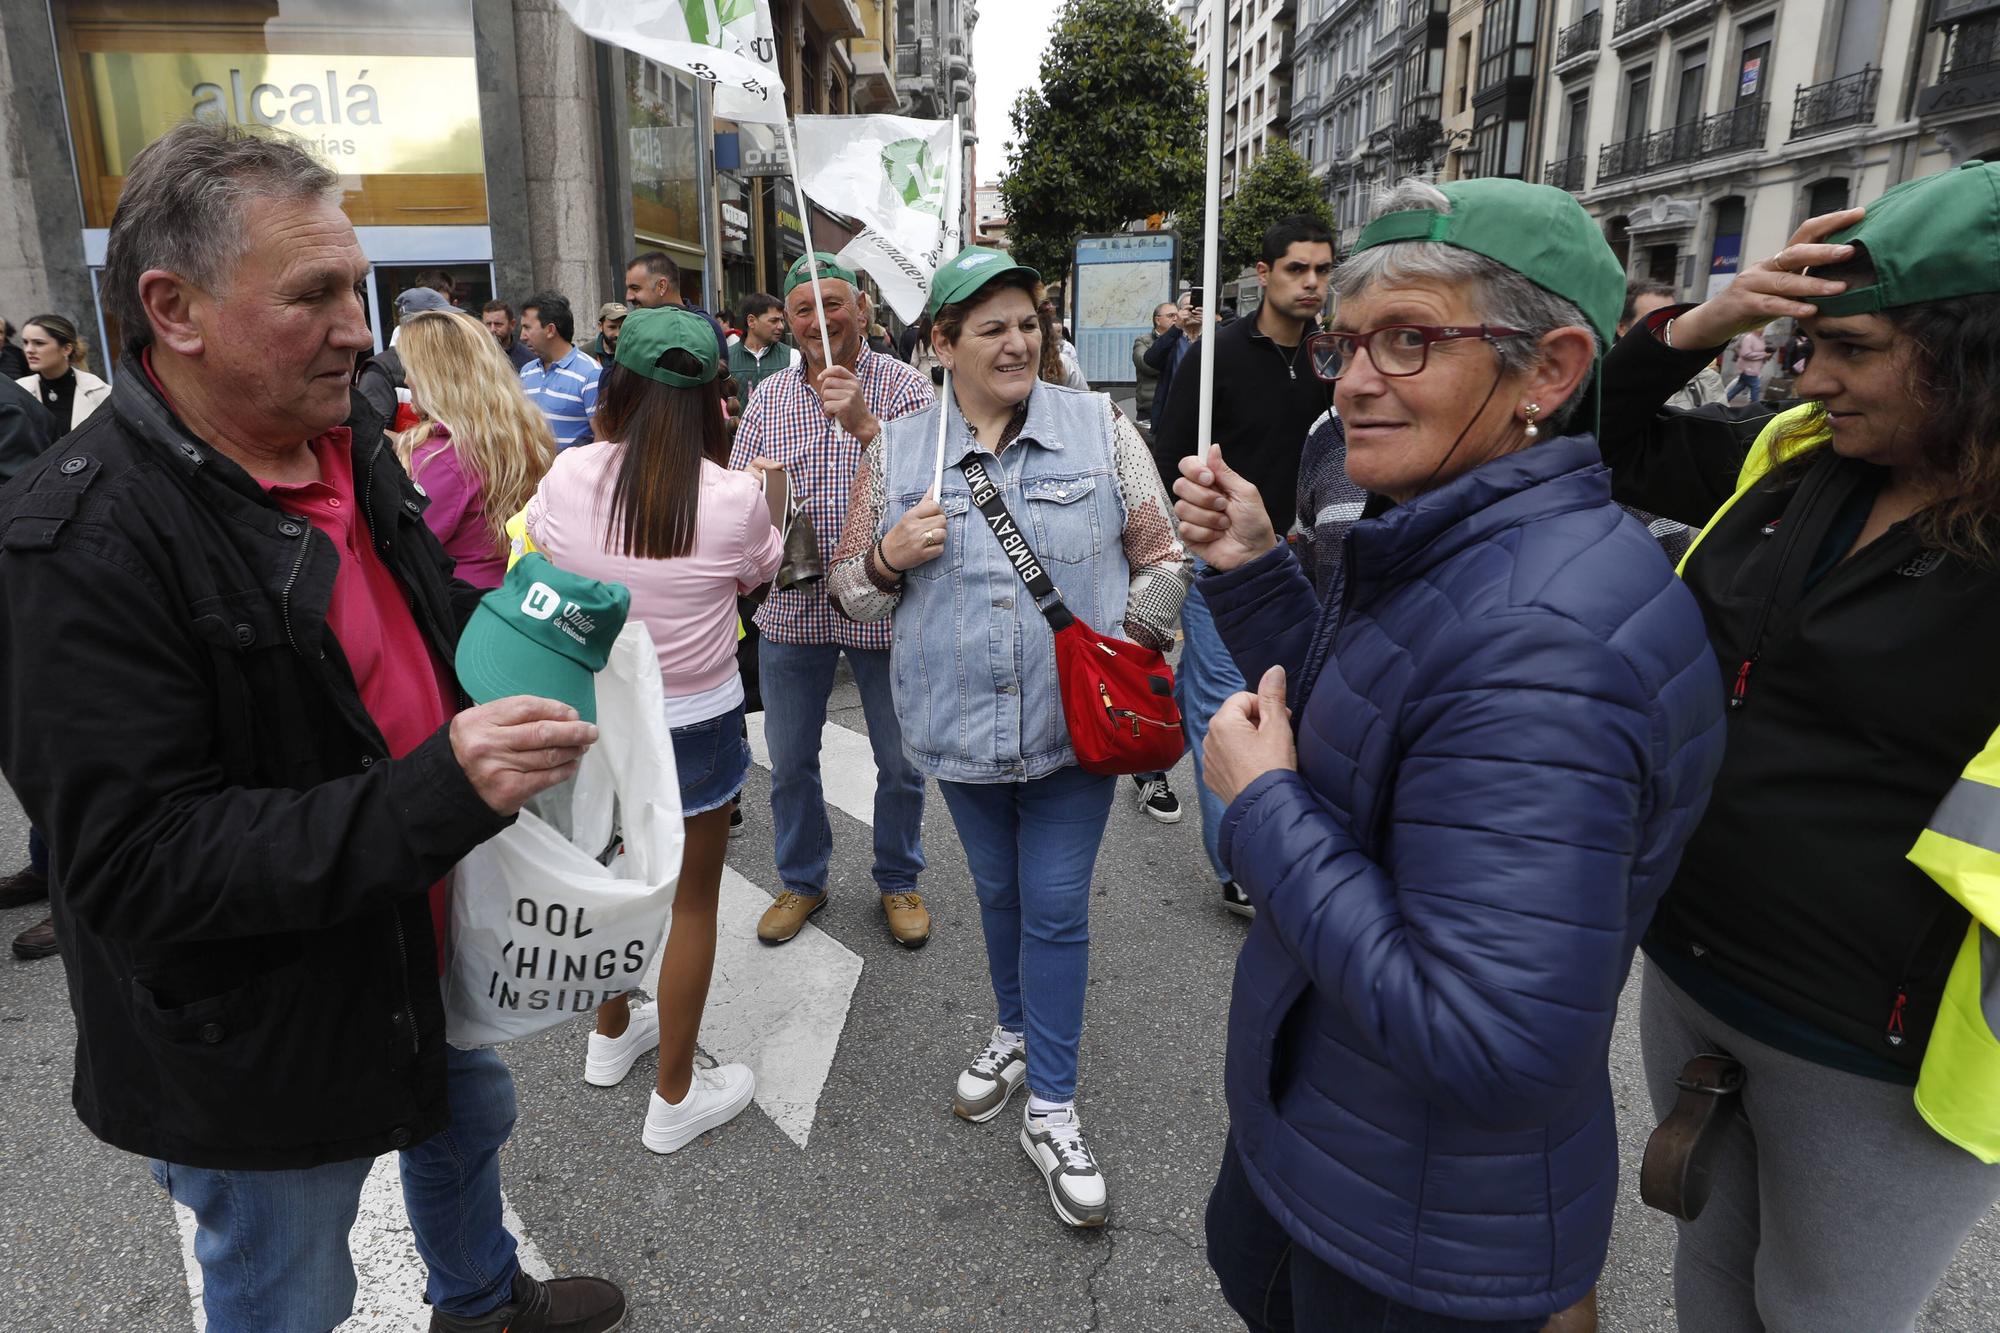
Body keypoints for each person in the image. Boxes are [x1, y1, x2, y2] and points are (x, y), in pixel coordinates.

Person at [0, 120, 624, 1333]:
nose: (359, 327)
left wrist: (521, 628)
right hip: (256, 1028)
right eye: (318, 295)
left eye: (358, 287)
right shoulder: (77, 540)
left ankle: (481, 1300)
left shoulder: (344, 443)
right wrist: (443, 786)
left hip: (406, 939)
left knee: (466, 1113)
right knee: (289, 1284)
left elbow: (400, 619)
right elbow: (136, 864)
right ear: (172, 308)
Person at [1174, 176, 1725, 1332]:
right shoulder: (1454, 533)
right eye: (1350, 342)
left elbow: (1490, 1038)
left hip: (1407, 1239)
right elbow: (1376, 741)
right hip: (1358, 1158)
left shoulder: (1543, 642)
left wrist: (1260, 806)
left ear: (1553, 370)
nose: (1358, 380)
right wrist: (1260, 570)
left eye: (1409, 340)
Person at [1597, 178, 2000, 1332]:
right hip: (1687, 972)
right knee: (1710, 1292)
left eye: (1850, 349)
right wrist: (1697, 327)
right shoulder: (1798, 454)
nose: (1807, 377)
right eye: (1802, 344)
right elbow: (1585, 438)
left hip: (1876, 1049)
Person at [828, 246, 1191, 1228]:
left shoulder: (1100, 426)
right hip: (953, 730)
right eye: (990, 327)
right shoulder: (894, 448)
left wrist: (1125, 652)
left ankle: (1052, 1106)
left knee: (1057, 905)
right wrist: (886, 555)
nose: (1017, 340)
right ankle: (1013, 1024)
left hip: (1074, 737)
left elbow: (1162, 557)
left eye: (1027, 322)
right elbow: (847, 592)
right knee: (995, 892)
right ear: (940, 343)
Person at [525, 306, 785, 1153]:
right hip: (699, 720)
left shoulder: (570, 476)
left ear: (616, 386)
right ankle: (675, 1094)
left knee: (608, 876)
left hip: (598, 715)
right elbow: (761, 573)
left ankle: (609, 1035)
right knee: (693, 902)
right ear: (715, 399)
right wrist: (771, 500)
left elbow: (547, 556)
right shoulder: (735, 497)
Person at [727, 252, 935, 947]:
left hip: (886, 601)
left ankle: (899, 878)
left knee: (900, 762)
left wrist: (867, 425)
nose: (821, 319)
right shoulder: (768, 397)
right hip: (792, 603)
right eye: (805, 308)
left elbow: (936, 494)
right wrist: (755, 488)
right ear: (786, 321)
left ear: (865, 312)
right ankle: (802, 878)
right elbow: (736, 491)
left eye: (834, 303)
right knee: (788, 760)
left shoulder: (906, 388)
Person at [1154, 214, 1336, 918]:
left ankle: (1150, 745)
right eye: (1297, 269)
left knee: (1291, 695)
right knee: (1225, 703)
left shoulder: (1334, 355)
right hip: (1228, 564)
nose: (1313, 282)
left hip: (1318, 562)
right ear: (1263, 274)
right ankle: (1237, 862)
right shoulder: (1216, 355)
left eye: (1322, 269)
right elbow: (1171, 447)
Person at [392, 309, 555, 590]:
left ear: (436, 378)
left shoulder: (439, 458)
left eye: (411, 370)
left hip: (460, 609)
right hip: (516, 592)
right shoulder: (521, 434)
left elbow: (403, 556)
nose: (406, 380)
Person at [357, 286, 455, 429]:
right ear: (420, 327)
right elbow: (373, 434)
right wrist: (424, 445)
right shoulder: (379, 370)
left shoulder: (445, 362)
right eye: (442, 322)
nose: (450, 328)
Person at [1620, 280, 1725, 409]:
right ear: (1622, 328)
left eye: (1672, 321)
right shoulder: (1604, 383)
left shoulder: (1706, 379)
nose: (1667, 330)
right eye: (1654, 322)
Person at [518, 292, 601, 451]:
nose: (522, 336)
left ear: (550, 330)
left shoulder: (591, 374)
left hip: (574, 474)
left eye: (527, 327)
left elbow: (602, 439)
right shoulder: (527, 372)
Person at [15, 313, 110, 437]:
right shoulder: (18, 390)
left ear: (66, 349)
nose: (29, 350)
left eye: (39, 343)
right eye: (25, 342)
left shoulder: (100, 393)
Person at [625, 250, 729, 359]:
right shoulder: (638, 326)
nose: (628, 297)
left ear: (661, 286)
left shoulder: (705, 328)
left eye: (635, 288)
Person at [1141, 291, 1200, 437]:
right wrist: (1177, 328)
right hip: (1172, 419)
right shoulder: (1173, 339)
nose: (1192, 312)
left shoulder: (1215, 338)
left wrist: (1211, 323)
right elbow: (1150, 359)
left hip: (1203, 418)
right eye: (1187, 308)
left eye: (1197, 308)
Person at [727, 291, 799, 399]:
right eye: (774, 321)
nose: (781, 326)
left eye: (782, 321)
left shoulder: (792, 356)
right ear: (751, 321)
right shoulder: (726, 358)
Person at [1131, 301, 1176, 428]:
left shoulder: (1183, 339)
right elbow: (1146, 365)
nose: (1175, 319)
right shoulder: (1144, 341)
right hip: (1149, 409)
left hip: (1173, 406)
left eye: (1177, 316)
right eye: (1171, 315)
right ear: (1158, 320)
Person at [482, 298, 537, 372]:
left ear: (512, 324)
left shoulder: (528, 359)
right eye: (488, 324)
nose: (492, 329)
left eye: (498, 324)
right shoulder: (475, 355)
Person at [1727, 323, 1771, 403]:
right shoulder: (1749, 338)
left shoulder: (1761, 338)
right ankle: (1755, 406)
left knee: (1740, 386)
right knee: (1756, 386)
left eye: (1763, 328)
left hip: (1754, 367)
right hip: (1748, 368)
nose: (1763, 330)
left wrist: (1764, 356)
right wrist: (1763, 355)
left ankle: (1725, 400)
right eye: (1761, 328)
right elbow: (1745, 353)